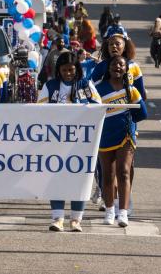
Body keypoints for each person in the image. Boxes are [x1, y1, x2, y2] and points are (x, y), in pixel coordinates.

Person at [38, 50, 101, 232]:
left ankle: (76, 220)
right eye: (64, 70)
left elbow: (98, 105)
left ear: (77, 70)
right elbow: (39, 110)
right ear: (59, 70)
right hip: (54, 141)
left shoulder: (85, 84)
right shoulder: (50, 86)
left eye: (71, 70)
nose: (68, 74)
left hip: (81, 142)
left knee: (79, 178)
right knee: (55, 178)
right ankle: (57, 218)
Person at [95, 54, 148, 228]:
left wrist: (133, 105)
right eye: (114, 65)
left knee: (124, 171)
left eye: (121, 65)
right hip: (104, 135)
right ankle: (110, 209)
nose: (117, 67)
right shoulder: (98, 89)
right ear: (108, 68)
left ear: (126, 69)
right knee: (108, 175)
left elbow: (143, 114)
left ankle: (123, 212)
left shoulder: (130, 90)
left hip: (126, 134)